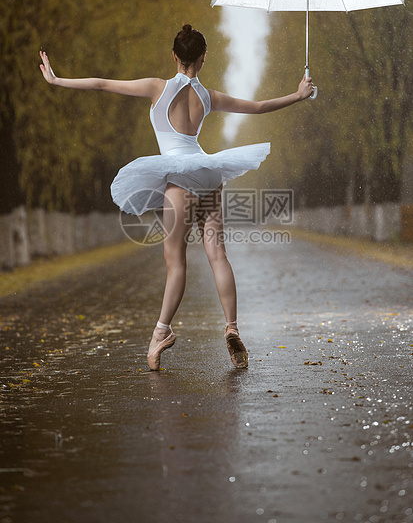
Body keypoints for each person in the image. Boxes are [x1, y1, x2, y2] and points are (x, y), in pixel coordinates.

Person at [39, 24, 313, 371]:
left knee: (176, 262)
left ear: (174, 56)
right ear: (203, 57)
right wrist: (298, 95)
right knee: (217, 256)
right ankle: (231, 326)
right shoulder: (208, 96)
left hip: (179, 178)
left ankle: (161, 334)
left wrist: (58, 80)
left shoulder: (157, 88)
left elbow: (102, 84)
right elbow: (258, 107)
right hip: (209, 173)